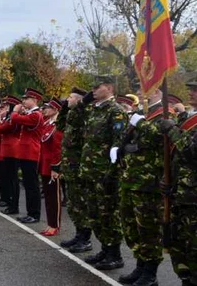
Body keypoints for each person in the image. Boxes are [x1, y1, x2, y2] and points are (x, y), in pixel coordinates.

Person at [116, 88, 170, 284]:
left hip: (149, 183)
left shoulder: (164, 114)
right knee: (131, 227)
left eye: (143, 88)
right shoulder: (142, 114)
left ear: (156, 91)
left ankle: (150, 273)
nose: (139, 91)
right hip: (131, 178)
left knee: (148, 229)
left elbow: (156, 139)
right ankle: (140, 266)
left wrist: (140, 123)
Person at [80, 76, 127, 270]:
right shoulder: (94, 109)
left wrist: (112, 172)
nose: (93, 91)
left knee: (108, 213)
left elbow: (119, 143)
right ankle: (105, 249)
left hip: (105, 173)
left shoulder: (116, 112)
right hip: (90, 171)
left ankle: (114, 254)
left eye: (97, 87)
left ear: (109, 88)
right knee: (94, 214)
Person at [161, 75, 197, 286]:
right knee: (179, 246)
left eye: (195, 89)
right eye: (191, 89)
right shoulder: (189, 117)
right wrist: (167, 180)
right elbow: (174, 155)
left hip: (193, 198)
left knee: (194, 248)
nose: (191, 92)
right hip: (180, 193)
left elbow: (191, 152)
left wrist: (172, 130)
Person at [56, 88, 93, 253]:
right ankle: (79, 234)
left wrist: (80, 104)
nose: (67, 100)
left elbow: (79, 118)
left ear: (79, 100)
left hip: (78, 166)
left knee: (80, 204)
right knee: (73, 204)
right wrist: (64, 107)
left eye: (70, 98)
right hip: (69, 166)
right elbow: (60, 124)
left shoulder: (82, 114)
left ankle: (85, 238)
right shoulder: (71, 115)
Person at [10, 88, 44, 224]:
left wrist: (14, 111)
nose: (23, 101)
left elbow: (15, 118)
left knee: (32, 185)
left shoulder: (36, 115)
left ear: (34, 100)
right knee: (28, 184)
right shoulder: (31, 113)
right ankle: (31, 212)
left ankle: (34, 214)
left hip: (31, 152)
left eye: (26, 99)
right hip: (25, 152)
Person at [39, 98, 63, 237]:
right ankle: (50, 223)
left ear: (55, 109)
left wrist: (56, 167)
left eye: (48, 107)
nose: (44, 109)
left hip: (52, 166)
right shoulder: (47, 124)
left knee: (54, 197)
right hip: (44, 164)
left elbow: (57, 149)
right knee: (48, 197)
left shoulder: (57, 125)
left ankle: (55, 225)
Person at [0, 96, 22, 215]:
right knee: (9, 178)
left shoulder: (13, 118)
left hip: (12, 150)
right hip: (7, 149)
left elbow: (1, 128)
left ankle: (13, 205)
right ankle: (10, 203)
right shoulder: (9, 117)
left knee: (13, 180)